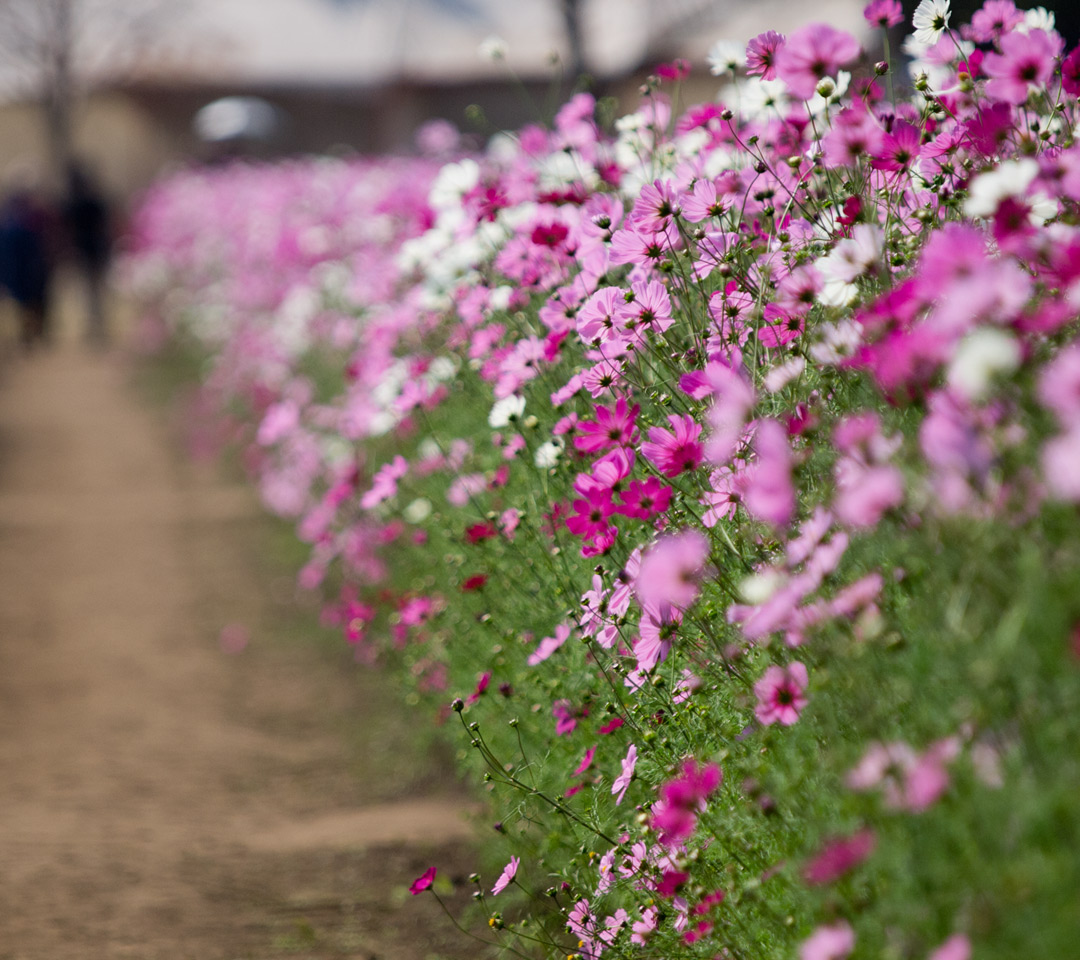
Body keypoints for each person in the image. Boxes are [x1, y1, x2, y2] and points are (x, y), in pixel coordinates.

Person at [62, 161, 111, 345]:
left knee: (88, 291)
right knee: (95, 290)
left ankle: (94, 325)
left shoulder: (76, 203)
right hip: (94, 250)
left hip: (85, 250)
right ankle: (98, 325)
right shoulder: (93, 202)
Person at [0, 186, 54, 348]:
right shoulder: (22, 227)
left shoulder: (17, 226)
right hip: (23, 270)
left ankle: (30, 333)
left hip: (21, 270)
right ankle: (29, 333)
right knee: (28, 303)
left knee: (26, 303)